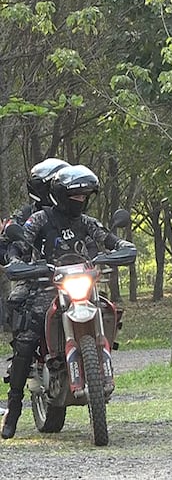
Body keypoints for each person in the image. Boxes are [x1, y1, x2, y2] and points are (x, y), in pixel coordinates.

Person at [2, 165, 135, 439]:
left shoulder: (86, 222)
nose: (81, 201)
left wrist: (122, 250)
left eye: (85, 196)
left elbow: (111, 240)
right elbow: (19, 246)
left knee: (108, 311)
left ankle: (98, 365)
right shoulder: (39, 219)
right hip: (46, 286)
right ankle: (13, 410)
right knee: (27, 337)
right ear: (60, 195)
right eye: (76, 196)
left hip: (82, 283)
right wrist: (17, 261)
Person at [1, 158, 71, 330]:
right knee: (17, 303)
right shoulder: (25, 215)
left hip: (73, 275)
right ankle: (23, 353)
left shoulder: (73, 213)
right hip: (36, 277)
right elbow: (7, 243)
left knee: (101, 301)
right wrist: (14, 259)